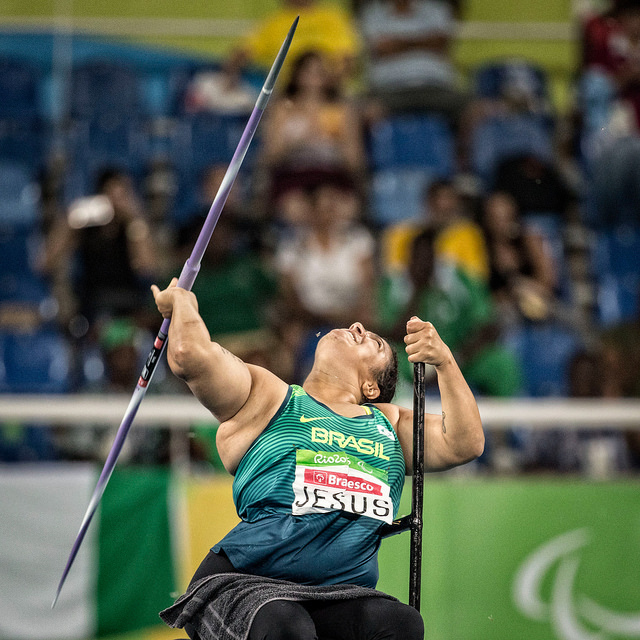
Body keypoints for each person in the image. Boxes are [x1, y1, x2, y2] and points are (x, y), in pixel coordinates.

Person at [152, 278, 484, 640]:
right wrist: (182, 304)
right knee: (288, 626)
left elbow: (464, 443)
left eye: (373, 342)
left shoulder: (389, 423)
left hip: (338, 595)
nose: (358, 326)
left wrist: (444, 360)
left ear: (371, 388)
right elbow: (190, 357)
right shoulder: (266, 396)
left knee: (401, 624)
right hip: (247, 583)